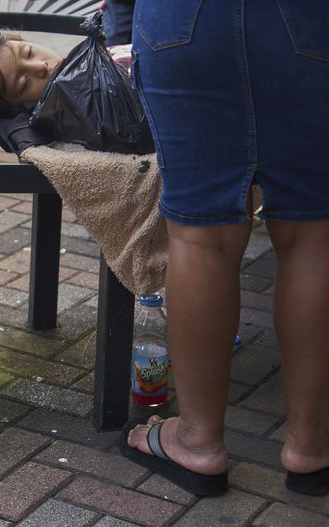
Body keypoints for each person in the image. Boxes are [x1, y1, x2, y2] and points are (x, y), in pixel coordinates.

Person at [120, 0, 329, 497]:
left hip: (184, 22)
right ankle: (310, 445)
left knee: (200, 235)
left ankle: (198, 441)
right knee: (313, 235)